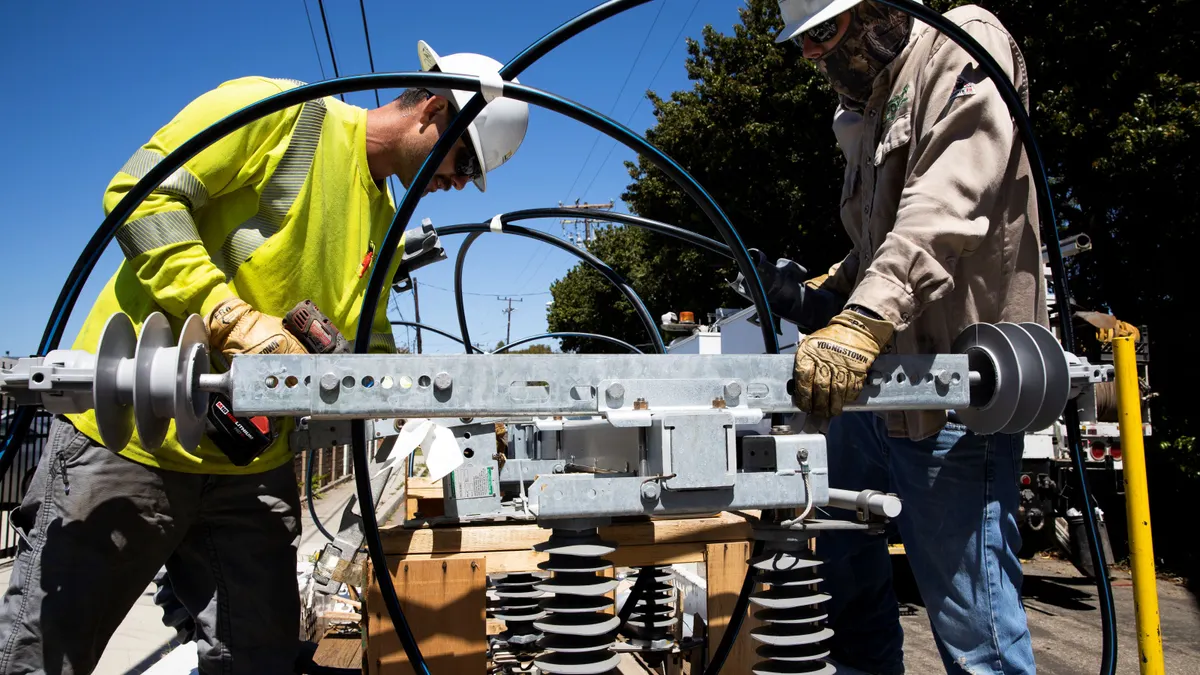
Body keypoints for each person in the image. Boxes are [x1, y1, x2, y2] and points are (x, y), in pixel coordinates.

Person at [0, 41, 529, 675]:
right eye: (465, 159)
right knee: (42, 655)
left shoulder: (384, 222)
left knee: (262, 661)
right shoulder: (286, 116)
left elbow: (369, 341)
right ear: (434, 109)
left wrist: (406, 393)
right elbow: (140, 195)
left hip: (248, 463)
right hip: (130, 437)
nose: (461, 182)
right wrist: (229, 318)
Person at [776, 0, 1045, 672]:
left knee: (973, 625)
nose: (813, 56)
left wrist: (862, 320)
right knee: (844, 593)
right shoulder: (866, 112)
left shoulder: (964, 45)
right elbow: (877, 246)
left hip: (950, 393)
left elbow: (944, 211)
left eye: (823, 34)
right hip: (874, 396)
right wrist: (824, 293)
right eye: (802, 43)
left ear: (878, 9)